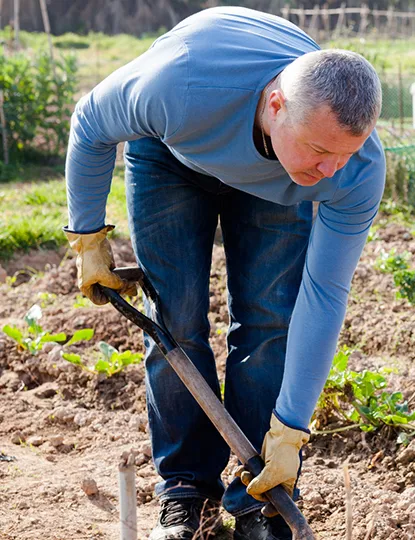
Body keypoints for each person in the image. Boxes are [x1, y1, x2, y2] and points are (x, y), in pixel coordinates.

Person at [63, 7, 384, 540]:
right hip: (174, 153)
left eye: (344, 156)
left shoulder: (353, 168)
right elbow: (91, 122)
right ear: (277, 104)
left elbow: (324, 294)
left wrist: (291, 430)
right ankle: (185, 487)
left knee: (268, 322)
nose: (331, 172)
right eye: (322, 152)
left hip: (276, 176)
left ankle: (257, 496)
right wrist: (89, 237)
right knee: (177, 320)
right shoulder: (181, 82)